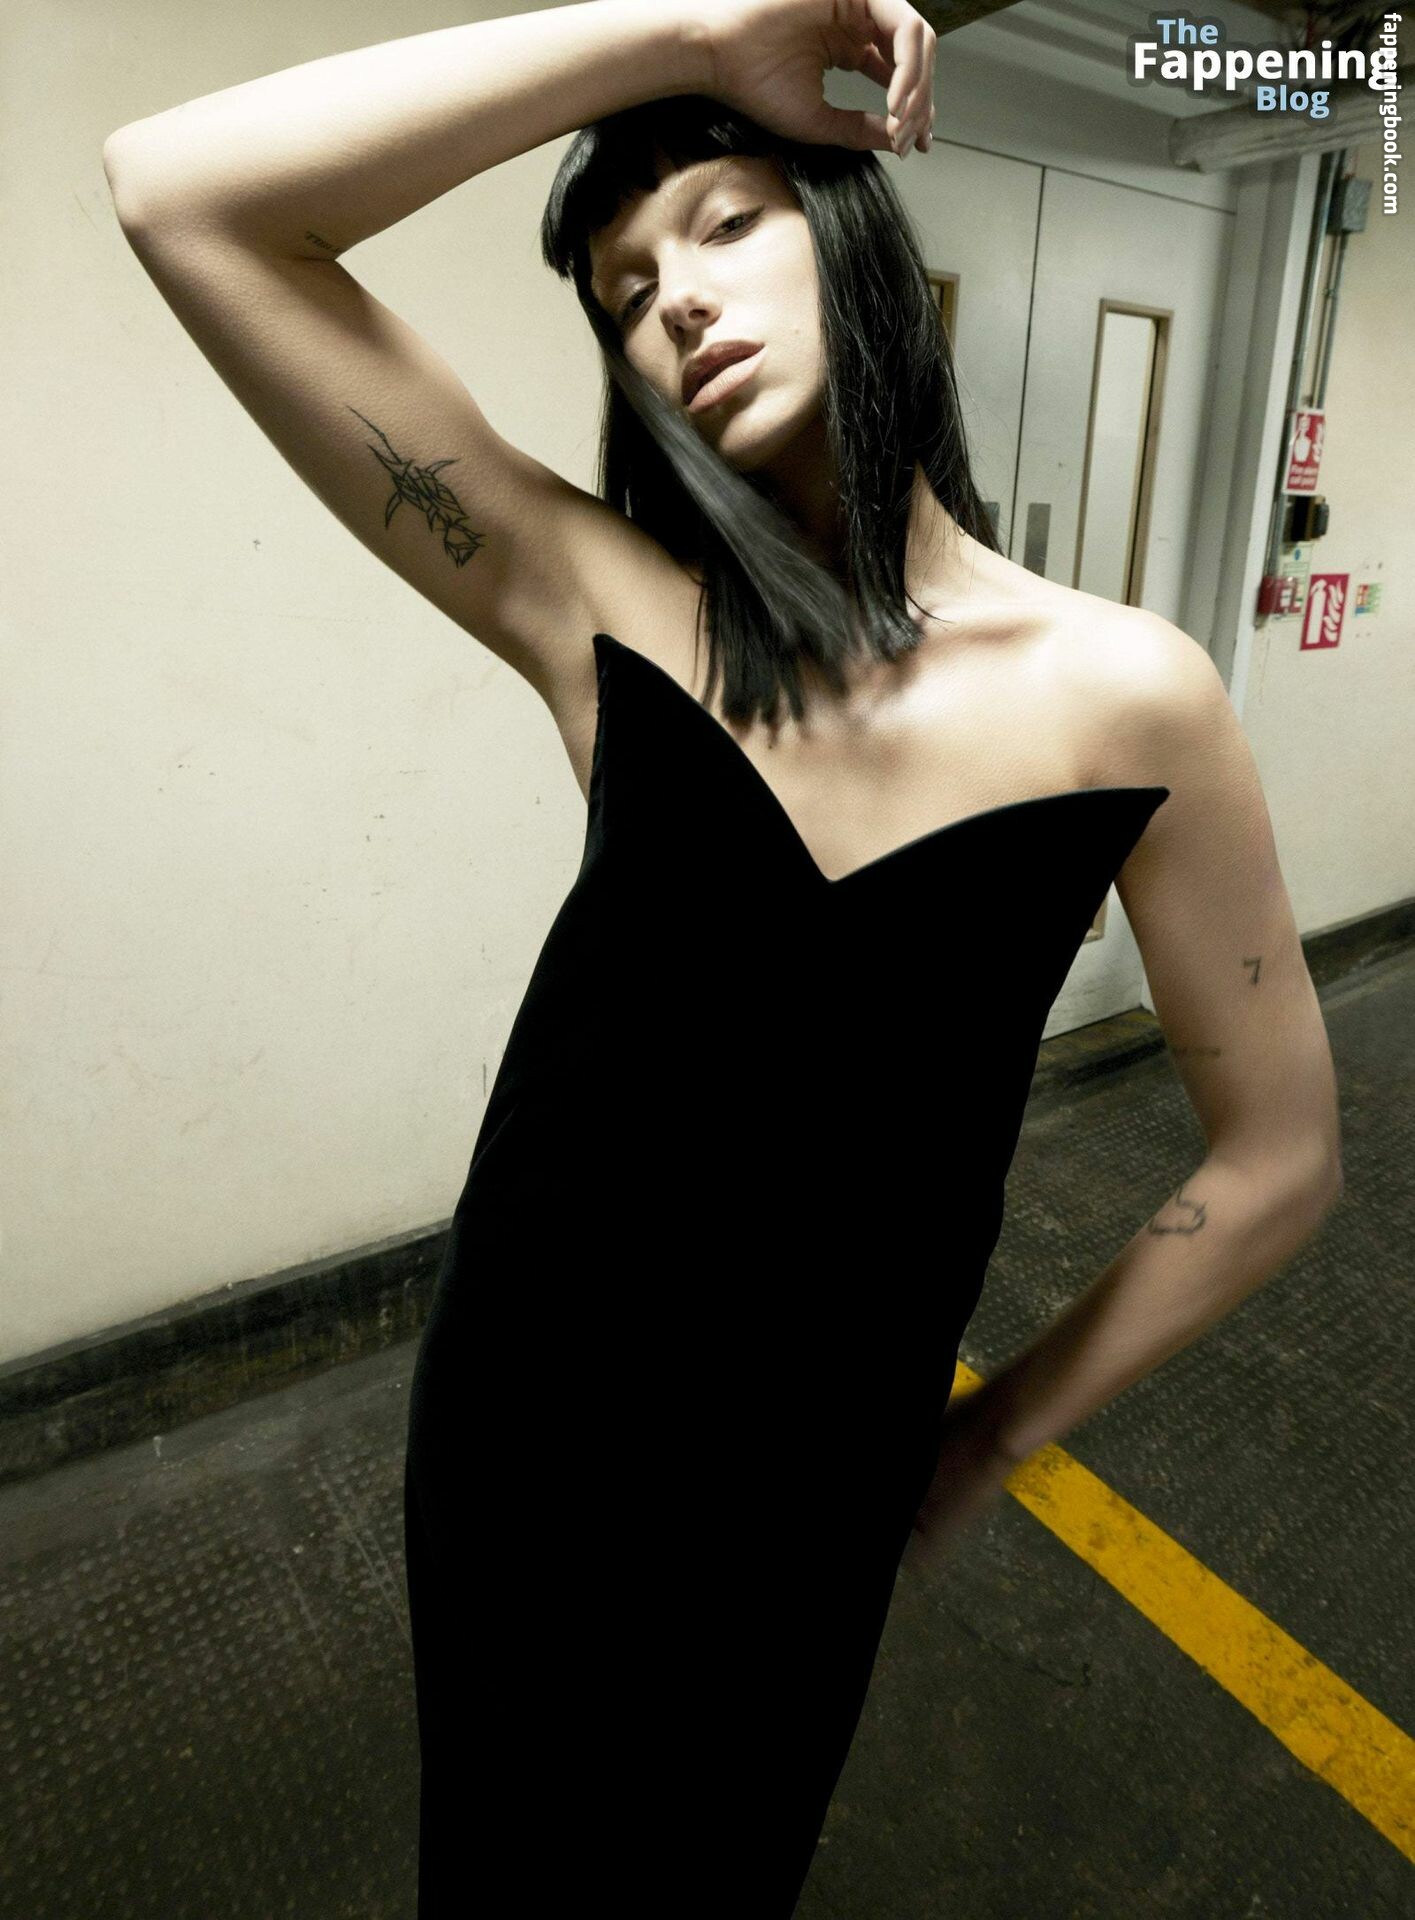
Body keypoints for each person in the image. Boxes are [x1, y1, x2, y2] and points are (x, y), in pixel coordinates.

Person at [103, 1, 1344, 1911]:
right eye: (624, 290)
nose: (675, 298)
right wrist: (684, 33)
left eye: (729, 222)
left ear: (852, 239)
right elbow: (180, 194)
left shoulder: (1129, 696)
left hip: (813, 1498)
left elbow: (1279, 1160)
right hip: (522, 1438)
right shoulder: (601, 604)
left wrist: (989, 1438)